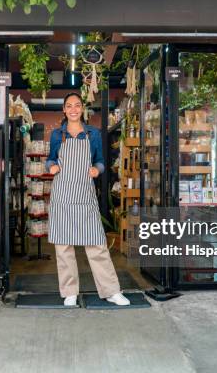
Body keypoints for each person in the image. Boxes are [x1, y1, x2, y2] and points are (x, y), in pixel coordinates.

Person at [46, 92, 130, 307]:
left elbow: (101, 161)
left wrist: (96, 169)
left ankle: (111, 291)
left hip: (85, 195)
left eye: (77, 105)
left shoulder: (93, 134)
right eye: (69, 106)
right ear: (64, 110)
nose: (73, 109)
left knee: (96, 244)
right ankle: (69, 292)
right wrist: (51, 167)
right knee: (64, 247)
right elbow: (50, 159)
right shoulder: (57, 135)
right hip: (63, 195)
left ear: (82, 108)